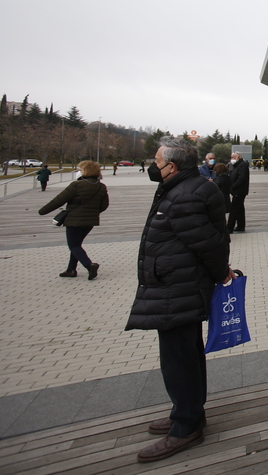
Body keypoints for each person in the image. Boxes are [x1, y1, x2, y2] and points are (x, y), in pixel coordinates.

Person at [126, 139, 232, 463]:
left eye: (157, 162)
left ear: (172, 167)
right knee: (183, 355)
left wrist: (220, 275)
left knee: (179, 360)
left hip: (179, 287)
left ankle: (186, 425)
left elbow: (210, 243)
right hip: (175, 285)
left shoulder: (185, 194)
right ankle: (186, 413)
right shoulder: (183, 188)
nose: (153, 166)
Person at [38, 160, 109, 279]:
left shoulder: (76, 185)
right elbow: (104, 205)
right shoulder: (101, 186)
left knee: (74, 246)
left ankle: (89, 265)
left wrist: (42, 211)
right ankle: (71, 270)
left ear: (86, 171)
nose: (79, 172)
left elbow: (58, 200)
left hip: (74, 220)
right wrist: (92, 212)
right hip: (90, 221)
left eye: (81, 170)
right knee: (77, 245)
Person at [227, 151, 250, 233]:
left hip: (239, 191)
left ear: (238, 157)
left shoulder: (242, 165)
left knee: (234, 209)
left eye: (233, 157)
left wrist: (232, 187)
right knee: (239, 209)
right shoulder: (237, 165)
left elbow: (241, 178)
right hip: (238, 190)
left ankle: (229, 227)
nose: (232, 159)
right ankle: (241, 225)